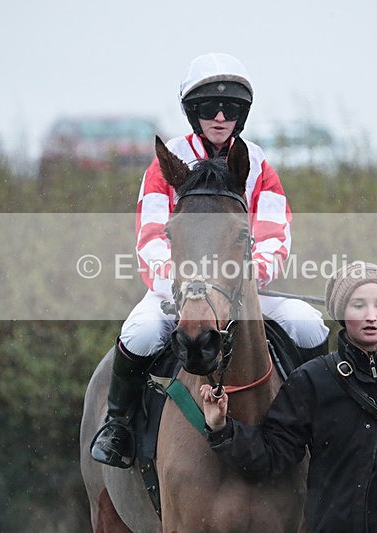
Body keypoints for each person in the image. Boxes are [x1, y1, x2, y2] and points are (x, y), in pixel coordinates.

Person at [90, 52, 329, 468]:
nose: (220, 117)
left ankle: (326, 424)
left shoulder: (257, 164)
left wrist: (248, 275)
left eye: (231, 109)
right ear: (192, 112)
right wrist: (187, 289)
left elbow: (275, 232)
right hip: (179, 292)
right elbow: (151, 238)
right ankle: (118, 427)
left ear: (243, 114)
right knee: (141, 334)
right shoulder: (166, 165)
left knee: (308, 325)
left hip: (243, 288)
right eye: (208, 109)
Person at [201, 261, 377, 532]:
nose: (371, 316)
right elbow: (272, 456)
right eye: (359, 305)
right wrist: (222, 429)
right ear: (341, 312)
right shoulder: (312, 380)